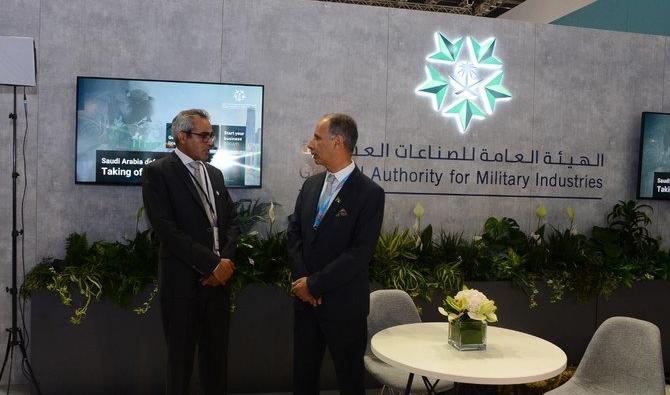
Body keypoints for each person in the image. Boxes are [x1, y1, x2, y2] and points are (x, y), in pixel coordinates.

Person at [142, 109, 239, 395]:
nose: (211, 141)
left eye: (212, 135)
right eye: (204, 135)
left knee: (216, 361)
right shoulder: (158, 172)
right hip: (183, 284)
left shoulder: (215, 174)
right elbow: (166, 229)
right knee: (180, 363)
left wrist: (225, 263)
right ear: (182, 137)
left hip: (218, 285)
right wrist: (211, 265)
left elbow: (231, 222)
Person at [287, 113, 385, 395]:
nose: (310, 144)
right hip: (305, 305)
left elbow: (359, 253)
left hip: (344, 308)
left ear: (338, 141)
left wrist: (315, 285)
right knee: (303, 381)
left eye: (317, 138)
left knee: (350, 382)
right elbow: (295, 235)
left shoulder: (369, 193)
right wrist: (303, 281)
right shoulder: (311, 186)